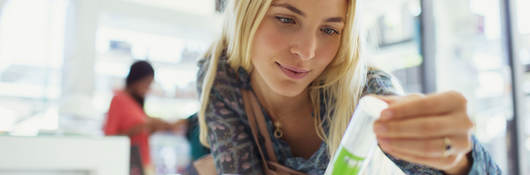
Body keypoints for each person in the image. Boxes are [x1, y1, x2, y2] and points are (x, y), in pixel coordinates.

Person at [196, 0, 501, 174]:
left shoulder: (367, 97)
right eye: (286, 19)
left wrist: (461, 161)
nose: (308, 51)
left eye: (330, 29)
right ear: (247, 13)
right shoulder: (221, 76)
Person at [103, 60, 171, 172]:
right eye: (146, 83)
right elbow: (109, 137)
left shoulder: (136, 102)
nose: (148, 88)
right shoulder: (118, 100)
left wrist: (153, 128)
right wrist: (138, 128)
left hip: (143, 160)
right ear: (136, 79)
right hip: (128, 162)